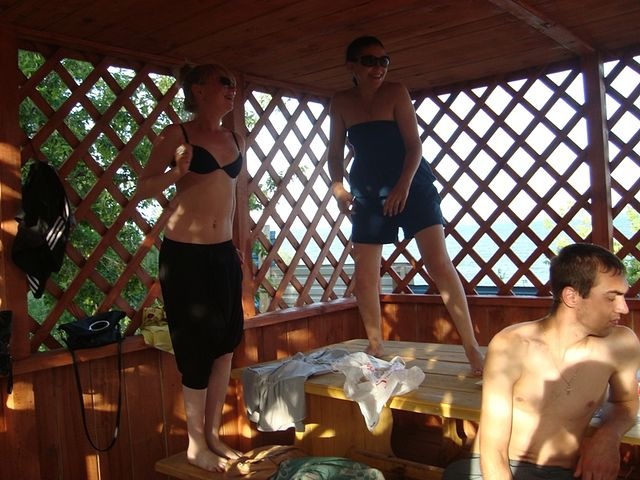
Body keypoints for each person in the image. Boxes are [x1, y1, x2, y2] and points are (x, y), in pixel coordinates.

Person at [327, 35, 484, 374]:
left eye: (384, 61)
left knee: (439, 264)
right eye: (370, 61)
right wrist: (338, 188)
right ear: (351, 66)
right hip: (368, 191)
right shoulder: (341, 102)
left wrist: (402, 186)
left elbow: (415, 147)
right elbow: (334, 155)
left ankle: (472, 348)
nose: (378, 67)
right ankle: (375, 345)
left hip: (413, 184)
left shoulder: (396, 92)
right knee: (365, 276)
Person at [443, 242, 640, 480]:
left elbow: (625, 402)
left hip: (564, 471)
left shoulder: (621, 344)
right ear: (572, 296)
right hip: (499, 466)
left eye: (623, 296)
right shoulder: (512, 345)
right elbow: (493, 450)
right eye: (611, 298)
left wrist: (609, 436)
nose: (624, 308)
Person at [136, 63, 244, 472]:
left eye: (234, 83)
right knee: (196, 348)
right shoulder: (175, 135)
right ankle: (195, 443)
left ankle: (212, 434)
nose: (232, 89)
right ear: (198, 89)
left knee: (226, 345)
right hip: (186, 257)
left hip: (223, 254)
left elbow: (232, 198)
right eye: (225, 82)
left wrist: (236, 248)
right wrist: (176, 173)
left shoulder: (235, 138)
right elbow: (142, 186)